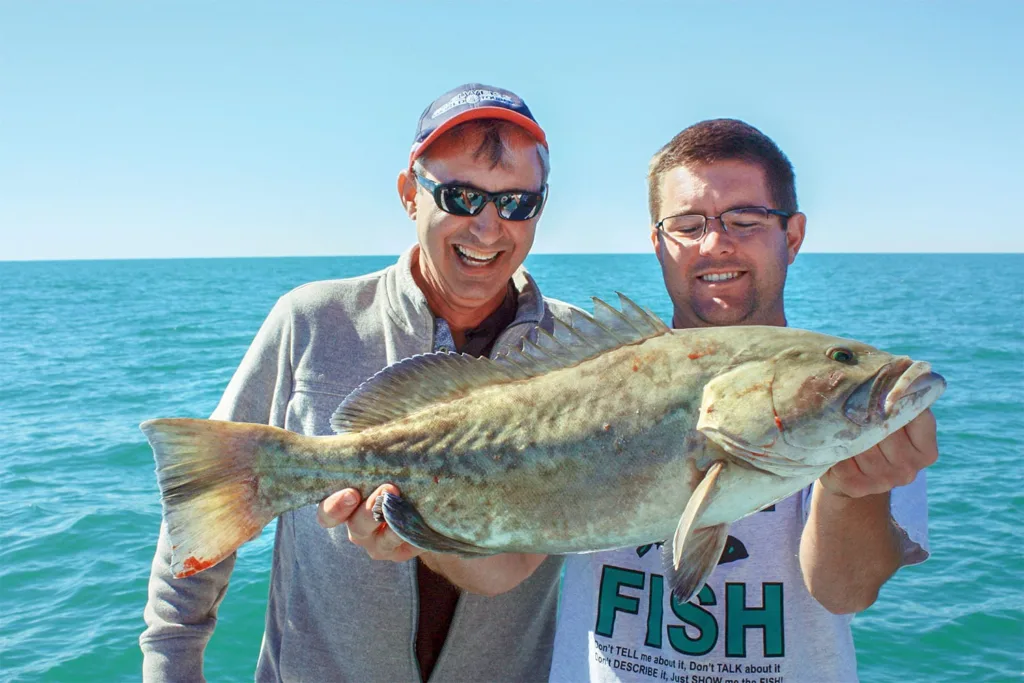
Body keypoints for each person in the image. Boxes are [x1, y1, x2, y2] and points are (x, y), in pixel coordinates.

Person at [141, 83, 574, 682]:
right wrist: (171, 661)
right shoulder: (310, 320)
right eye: (460, 196)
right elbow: (209, 501)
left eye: (517, 204)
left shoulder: (579, 352)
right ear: (409, 196)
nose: (488, 228)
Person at [548, 119, 939, 683]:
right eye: (687, 224)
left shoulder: (851, 403)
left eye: (746, 220)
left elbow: (847, 590)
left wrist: (853, 489)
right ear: (657, 242)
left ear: (794, 236)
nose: (715, 243)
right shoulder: (586, 381)